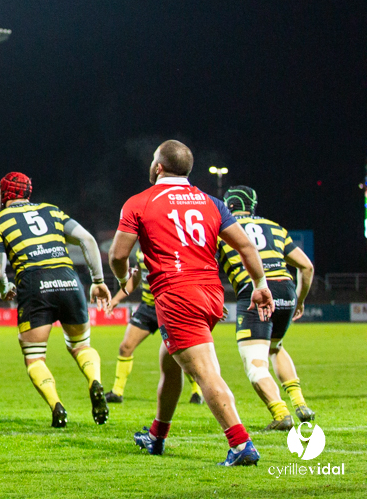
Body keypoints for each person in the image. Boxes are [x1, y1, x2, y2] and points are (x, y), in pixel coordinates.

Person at [109, 140, 273, 466]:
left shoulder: (140, 202)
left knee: (205, 372)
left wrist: (123, 279)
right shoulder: (211, 202)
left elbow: (117, 255)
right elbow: (246, 247)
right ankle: (156, 436)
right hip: (210, 294)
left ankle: (241, 444)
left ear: (158, 167)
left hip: (177, 296)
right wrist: (260, 284)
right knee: (170, 364)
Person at [0, 172, 111, 428]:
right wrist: (98, 281)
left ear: (7, 193)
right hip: (68, 279)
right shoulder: (52, 211)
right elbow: (87, 239)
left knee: (34, 357)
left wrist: (3, 288)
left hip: (34, 283)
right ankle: (95, 381)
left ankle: (57, 406)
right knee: (81, 346)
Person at [218, 185, 316, 428]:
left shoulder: (222, 229)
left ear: (228, 205)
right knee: (275, 347)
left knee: (254, 363)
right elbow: (307, 267)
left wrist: (214, 299)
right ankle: (300, 402)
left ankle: (281, 414)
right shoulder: (275, 227)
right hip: (286, 290)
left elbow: (207, 266)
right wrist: (300, 300)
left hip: (256, 292)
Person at [104, 247, 204, 405]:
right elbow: (136, 276)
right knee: (126, 347)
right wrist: (116, 299)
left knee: (181, 352)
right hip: (148, 308)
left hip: (169, 307)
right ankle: (117, 392)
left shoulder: (167, 246)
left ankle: (197, 391)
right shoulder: (140, 249)